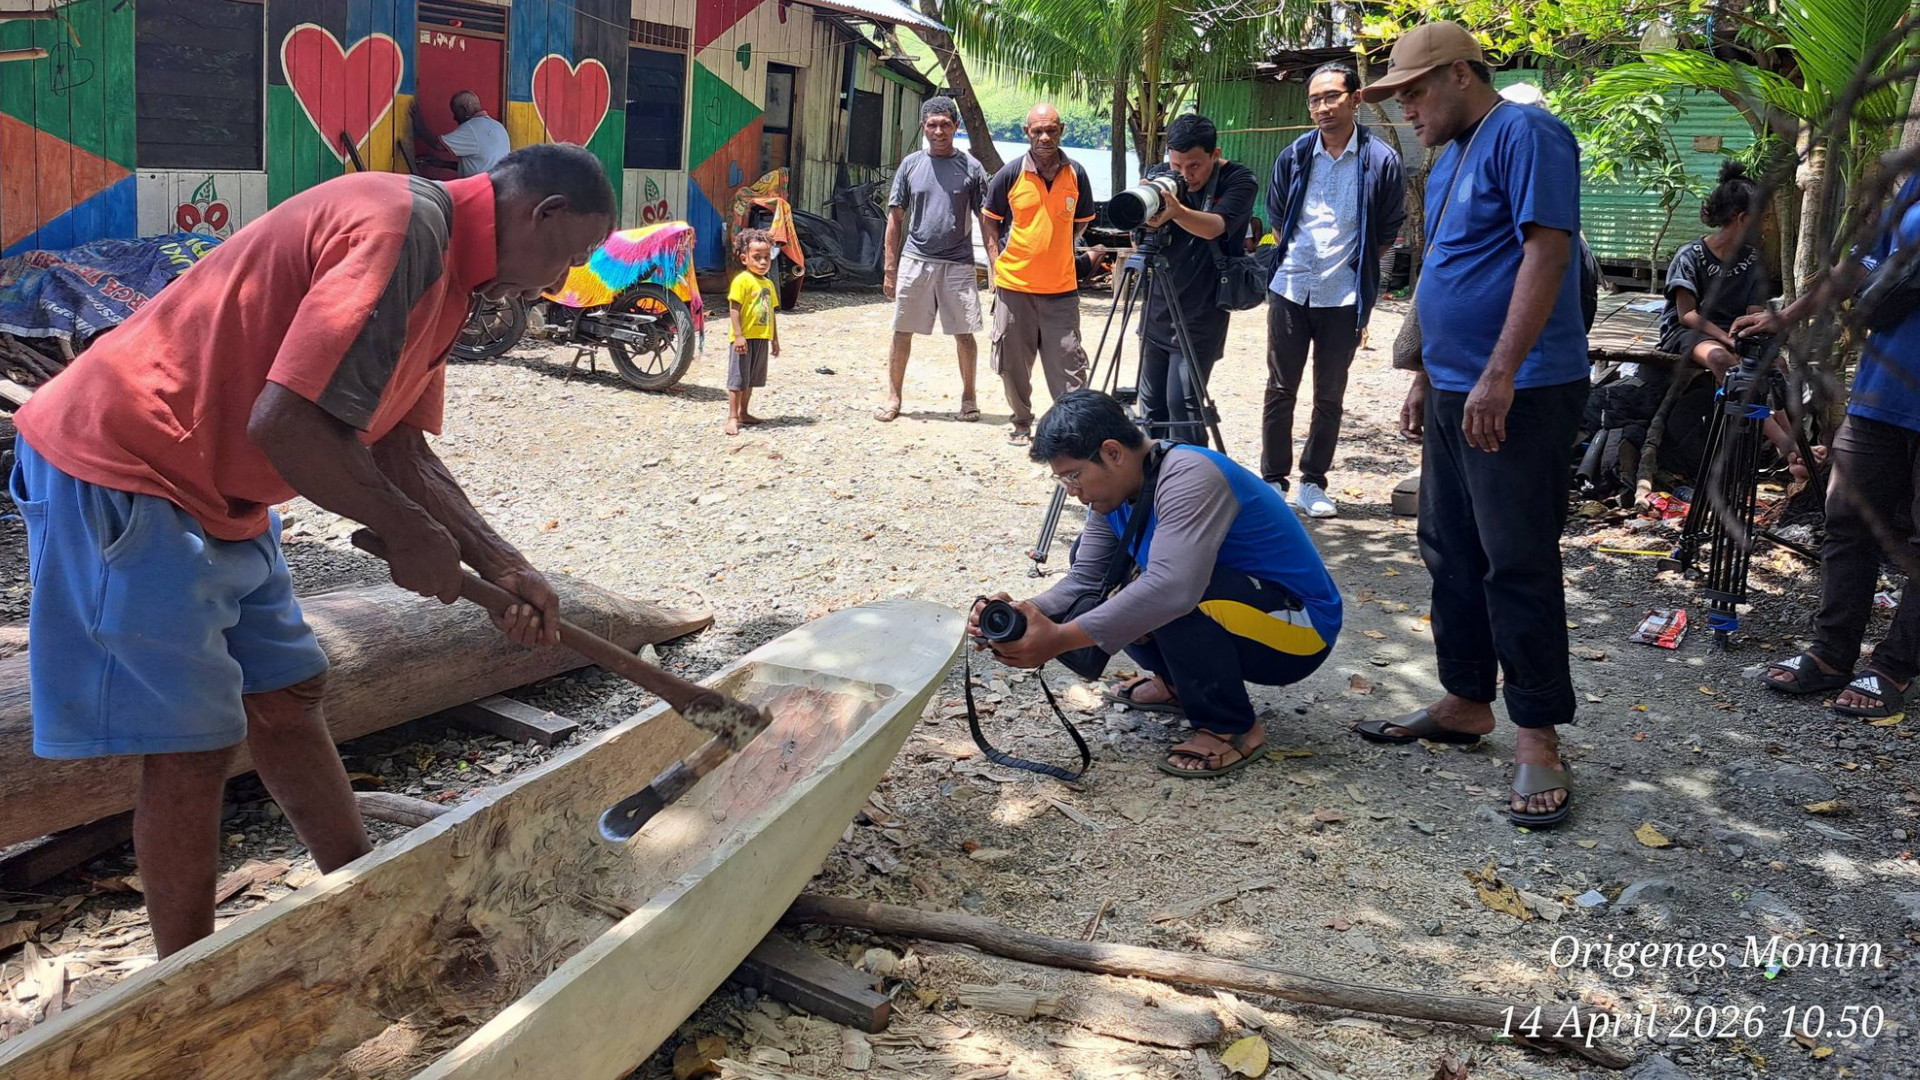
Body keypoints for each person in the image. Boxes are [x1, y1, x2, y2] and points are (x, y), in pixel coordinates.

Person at [10, 144, 615, 955]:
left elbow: (399, 445)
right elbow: (287, 424)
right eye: (567, 256)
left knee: (290, 695)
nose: (554, 283)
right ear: (541, 212)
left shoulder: (451, 281)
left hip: (223, 484)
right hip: (130, 461)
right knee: (194, 742)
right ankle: (182, 980)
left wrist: (502, 563)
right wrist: (408, 534)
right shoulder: (403, 226)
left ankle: (364, 900)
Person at [1350, 22, 1588, 829]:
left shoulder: (1527, 131)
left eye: (1414, 92)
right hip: (1456, 386)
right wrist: (1423, 373)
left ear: (1459, 74)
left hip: (1520, 390)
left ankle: (1537, 736)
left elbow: (1546, 253)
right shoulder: (1450, 154)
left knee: (1514, 557)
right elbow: (1451, 268)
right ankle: (1464, 699)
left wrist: (1499, 372)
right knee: (1448, 545)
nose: (1408, 110)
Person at [970, 390, 1343, 777]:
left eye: (1074, 475)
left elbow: (1173, 589)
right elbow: (1087, 580)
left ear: (1113, 452)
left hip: (1299, 632)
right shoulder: (1117, 493)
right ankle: (1179, 684)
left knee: (1171, 589)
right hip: (1240, 611)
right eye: (1061, 479)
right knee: (1115, 571)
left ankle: (1232, 727)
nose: (1071, 490)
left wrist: (1060, 639)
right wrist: (1028, 614)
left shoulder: (1190, 476)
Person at [1752, 172, 1920, 719]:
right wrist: (1788, 315)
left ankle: (1895, 665)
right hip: (1881, 394)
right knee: (1847, 517)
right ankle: (1831, 652)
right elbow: (1858, 267)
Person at [1579, 161, 1809, 499]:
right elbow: (1688, 315)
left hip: (1734, 332)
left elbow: (1753, 310)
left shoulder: (1750, 259)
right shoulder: (1691, 255)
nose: (1766, 226)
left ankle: (1796, 445)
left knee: (1776, 364)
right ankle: (1786, 447)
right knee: (1724, 362)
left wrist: (1757, 330)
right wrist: (1726, 337)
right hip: (1688, 334)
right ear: (1743, 218)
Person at [1261, 63, 1407, 518]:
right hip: (1290, 286)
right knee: (1280, 387)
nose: (1322, 107)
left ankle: (1313, 481)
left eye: (1331, 97)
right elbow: (1279, 217)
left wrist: (1351, 266)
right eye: (1315, 100)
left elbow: (1385, 231)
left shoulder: (1380, 159)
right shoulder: (1296, 154)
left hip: (1342, 294)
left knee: (1329, 394)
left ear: (1356, 99)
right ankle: (1272, 480)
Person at [1133, 113, 1258, 442]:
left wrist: (1176, 211)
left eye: (1194, 166)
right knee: (1151, 408)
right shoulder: (1162, 178)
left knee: (1184, 407)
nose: (1185, 176)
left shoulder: (1239, 180)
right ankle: (1155, 484)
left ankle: (1193, 482)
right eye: (1177, 165)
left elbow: (1215, 226)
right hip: (1158, 306)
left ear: (1214, 155)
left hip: (1202, 313)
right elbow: (1140, 232)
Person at [981, 104, 1095, 447]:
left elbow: (1082, 221)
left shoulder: (1077, 174)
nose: (1045, 137)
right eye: (1037, 131)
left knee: (1070, 364)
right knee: (1013, 364)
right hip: (1014, 288)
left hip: (1061, 289)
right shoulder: (1010, 173)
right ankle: (1021, 421)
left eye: (1051, 130)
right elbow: (989, 219)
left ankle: (1070, 430)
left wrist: (1057, 248)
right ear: (1026, 132)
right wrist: (995, 263)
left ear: (1061, 130)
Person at [876, 96, 991, 423]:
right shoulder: (911, 165)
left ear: (956, 127)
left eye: (945, 124)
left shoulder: (971, 167)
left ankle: (969, 398)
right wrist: (890, 269)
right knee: (902, 331)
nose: (938, 131)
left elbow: (986, 219)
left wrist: (995, 267)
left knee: (964, 334)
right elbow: (896, 218)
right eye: (932, 125)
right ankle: (893, 396)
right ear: (924, 127)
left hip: (958, 263)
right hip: (916, 260)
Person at [727, 228, 781, 437]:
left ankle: (744, 412)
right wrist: (738, 335)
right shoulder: (742, 280)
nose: (762, 262)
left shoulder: (768, 283)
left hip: (761, 339)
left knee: (750, 379)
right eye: (756, 258)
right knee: (737, 379)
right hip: (744, 339)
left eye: (766, 257)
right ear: (744, 258)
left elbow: (771, 314)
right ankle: (732, 416)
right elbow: (734, 308)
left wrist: (775, 340)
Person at [412, 90, 512, 177]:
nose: (454, 118)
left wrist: (418, 125)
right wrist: (441, 163)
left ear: (465, 109)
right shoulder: (498, 127)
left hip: (478, 192)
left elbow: (438, 145)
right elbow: (480, 165)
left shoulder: (471, 128)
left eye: (455, 112)